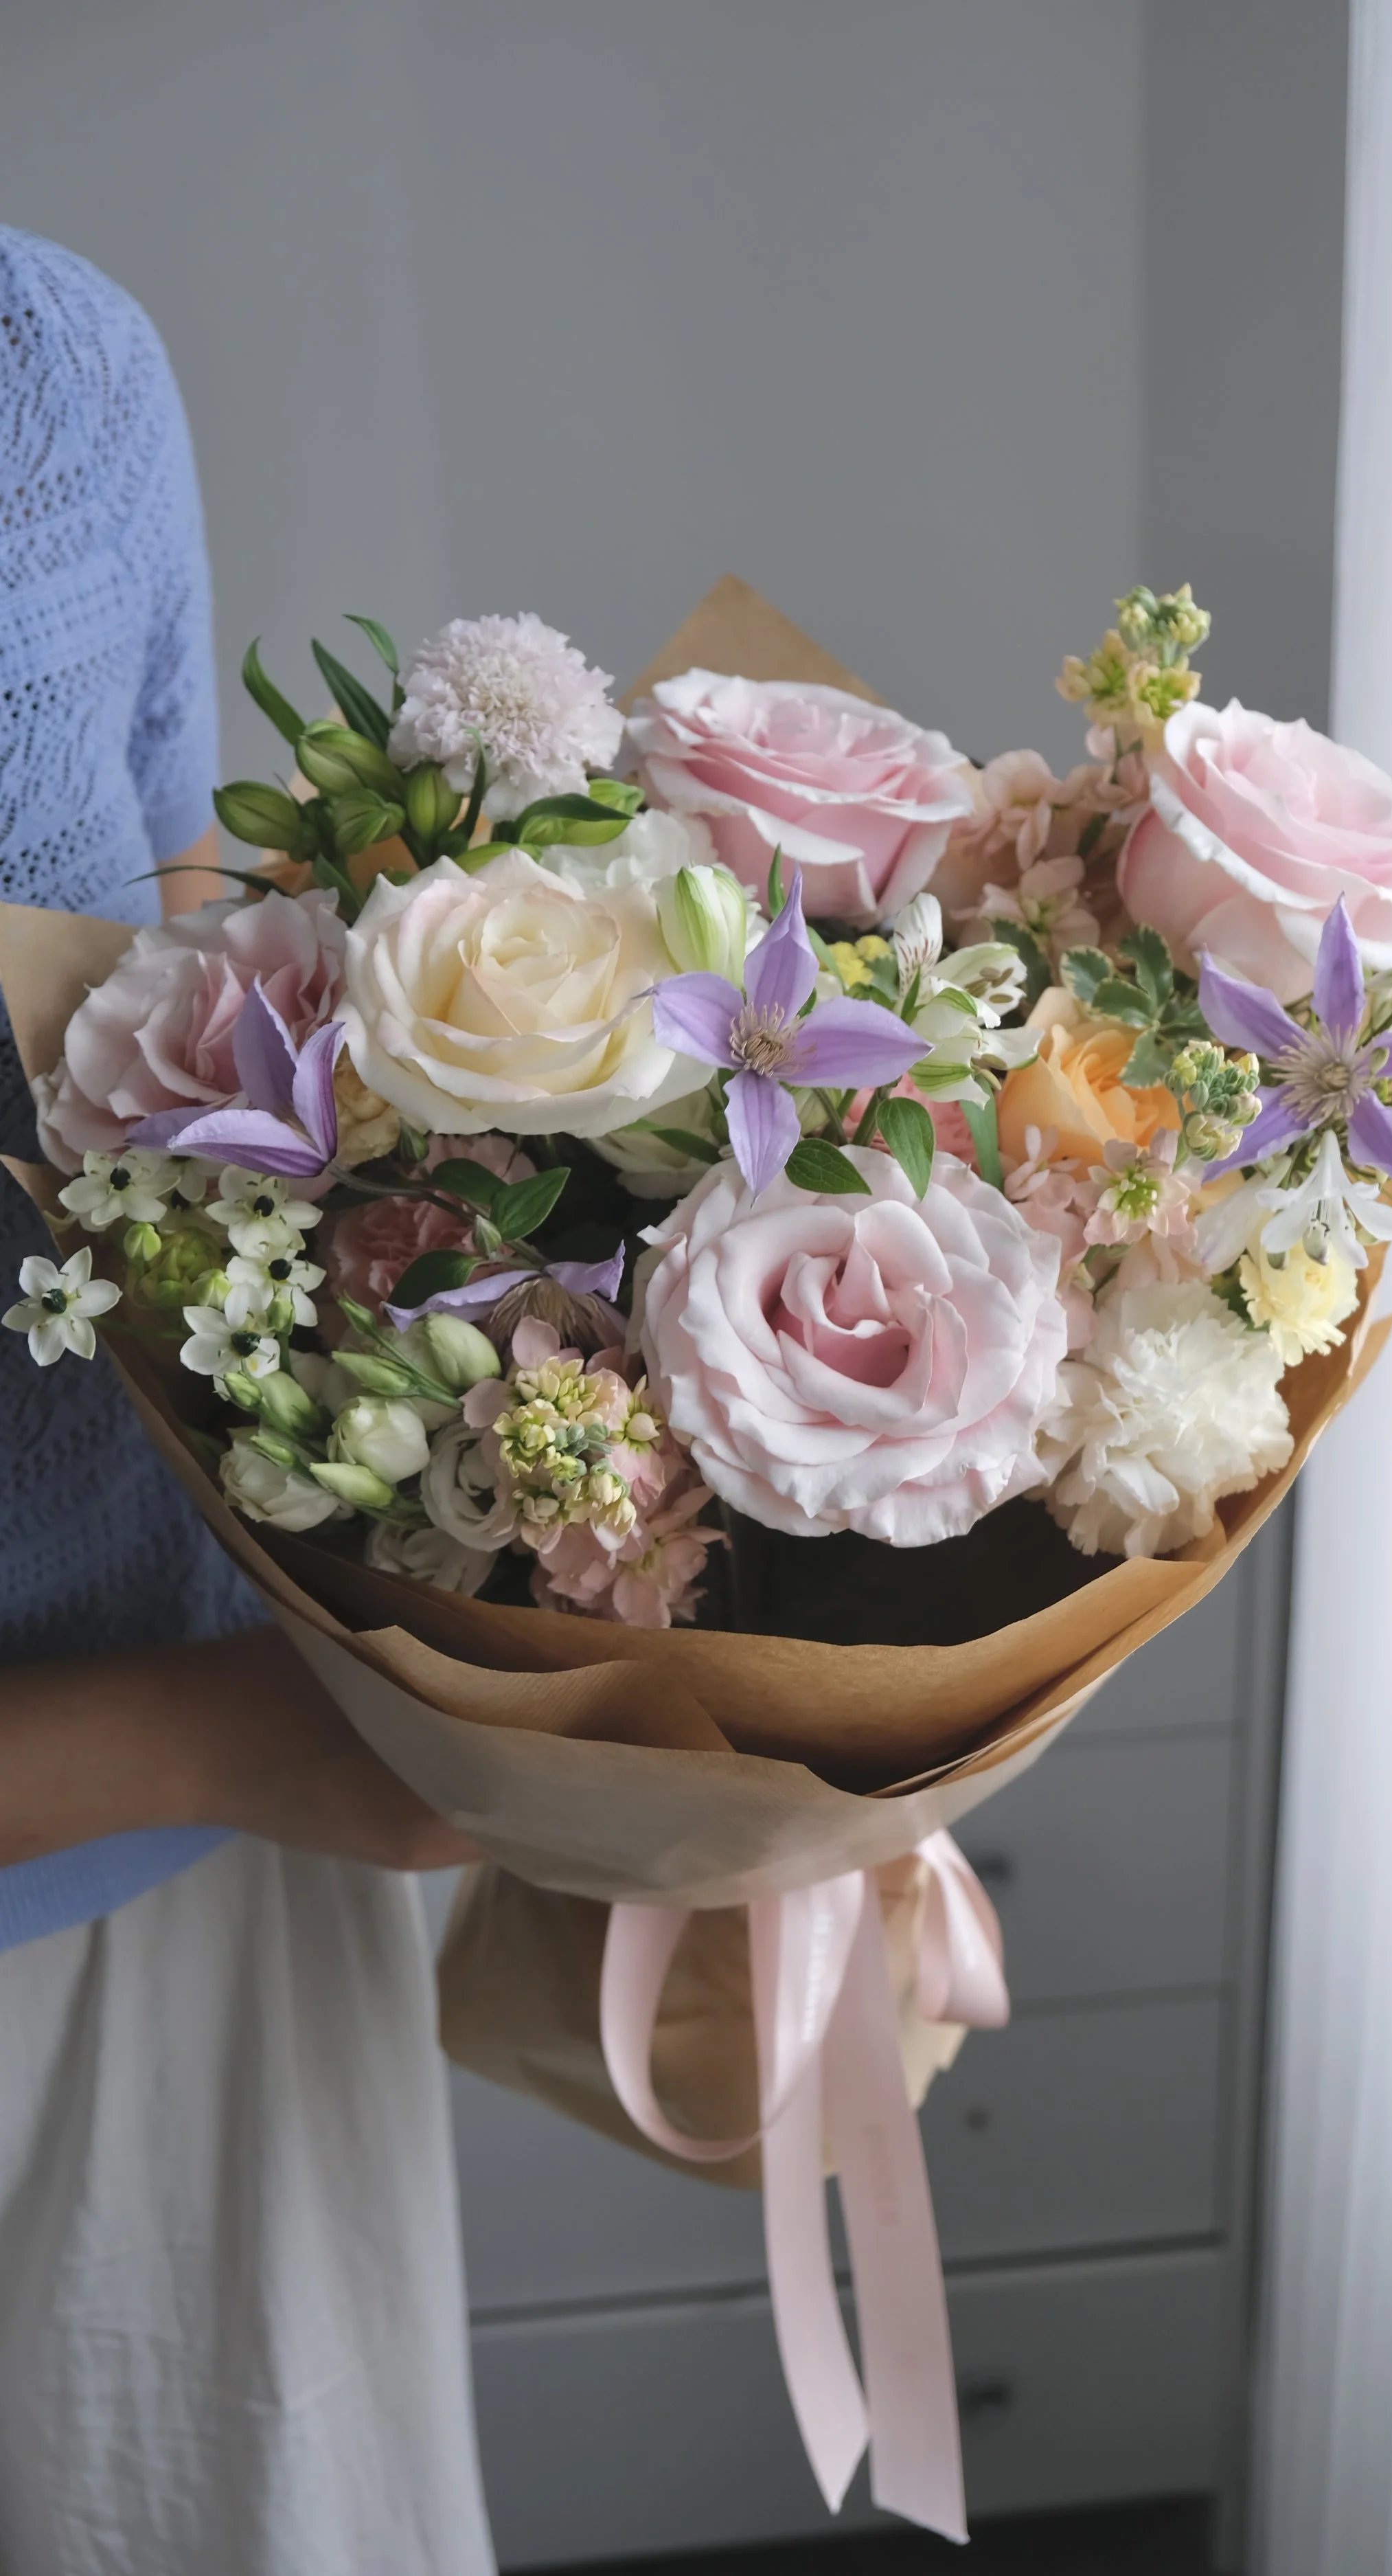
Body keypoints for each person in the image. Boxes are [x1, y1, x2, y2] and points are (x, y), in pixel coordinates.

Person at [0, 226, 497, 2575]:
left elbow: (163, 988)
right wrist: (225, 1741)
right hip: (201, 1764)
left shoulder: (57, 371)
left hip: (194, 1893)